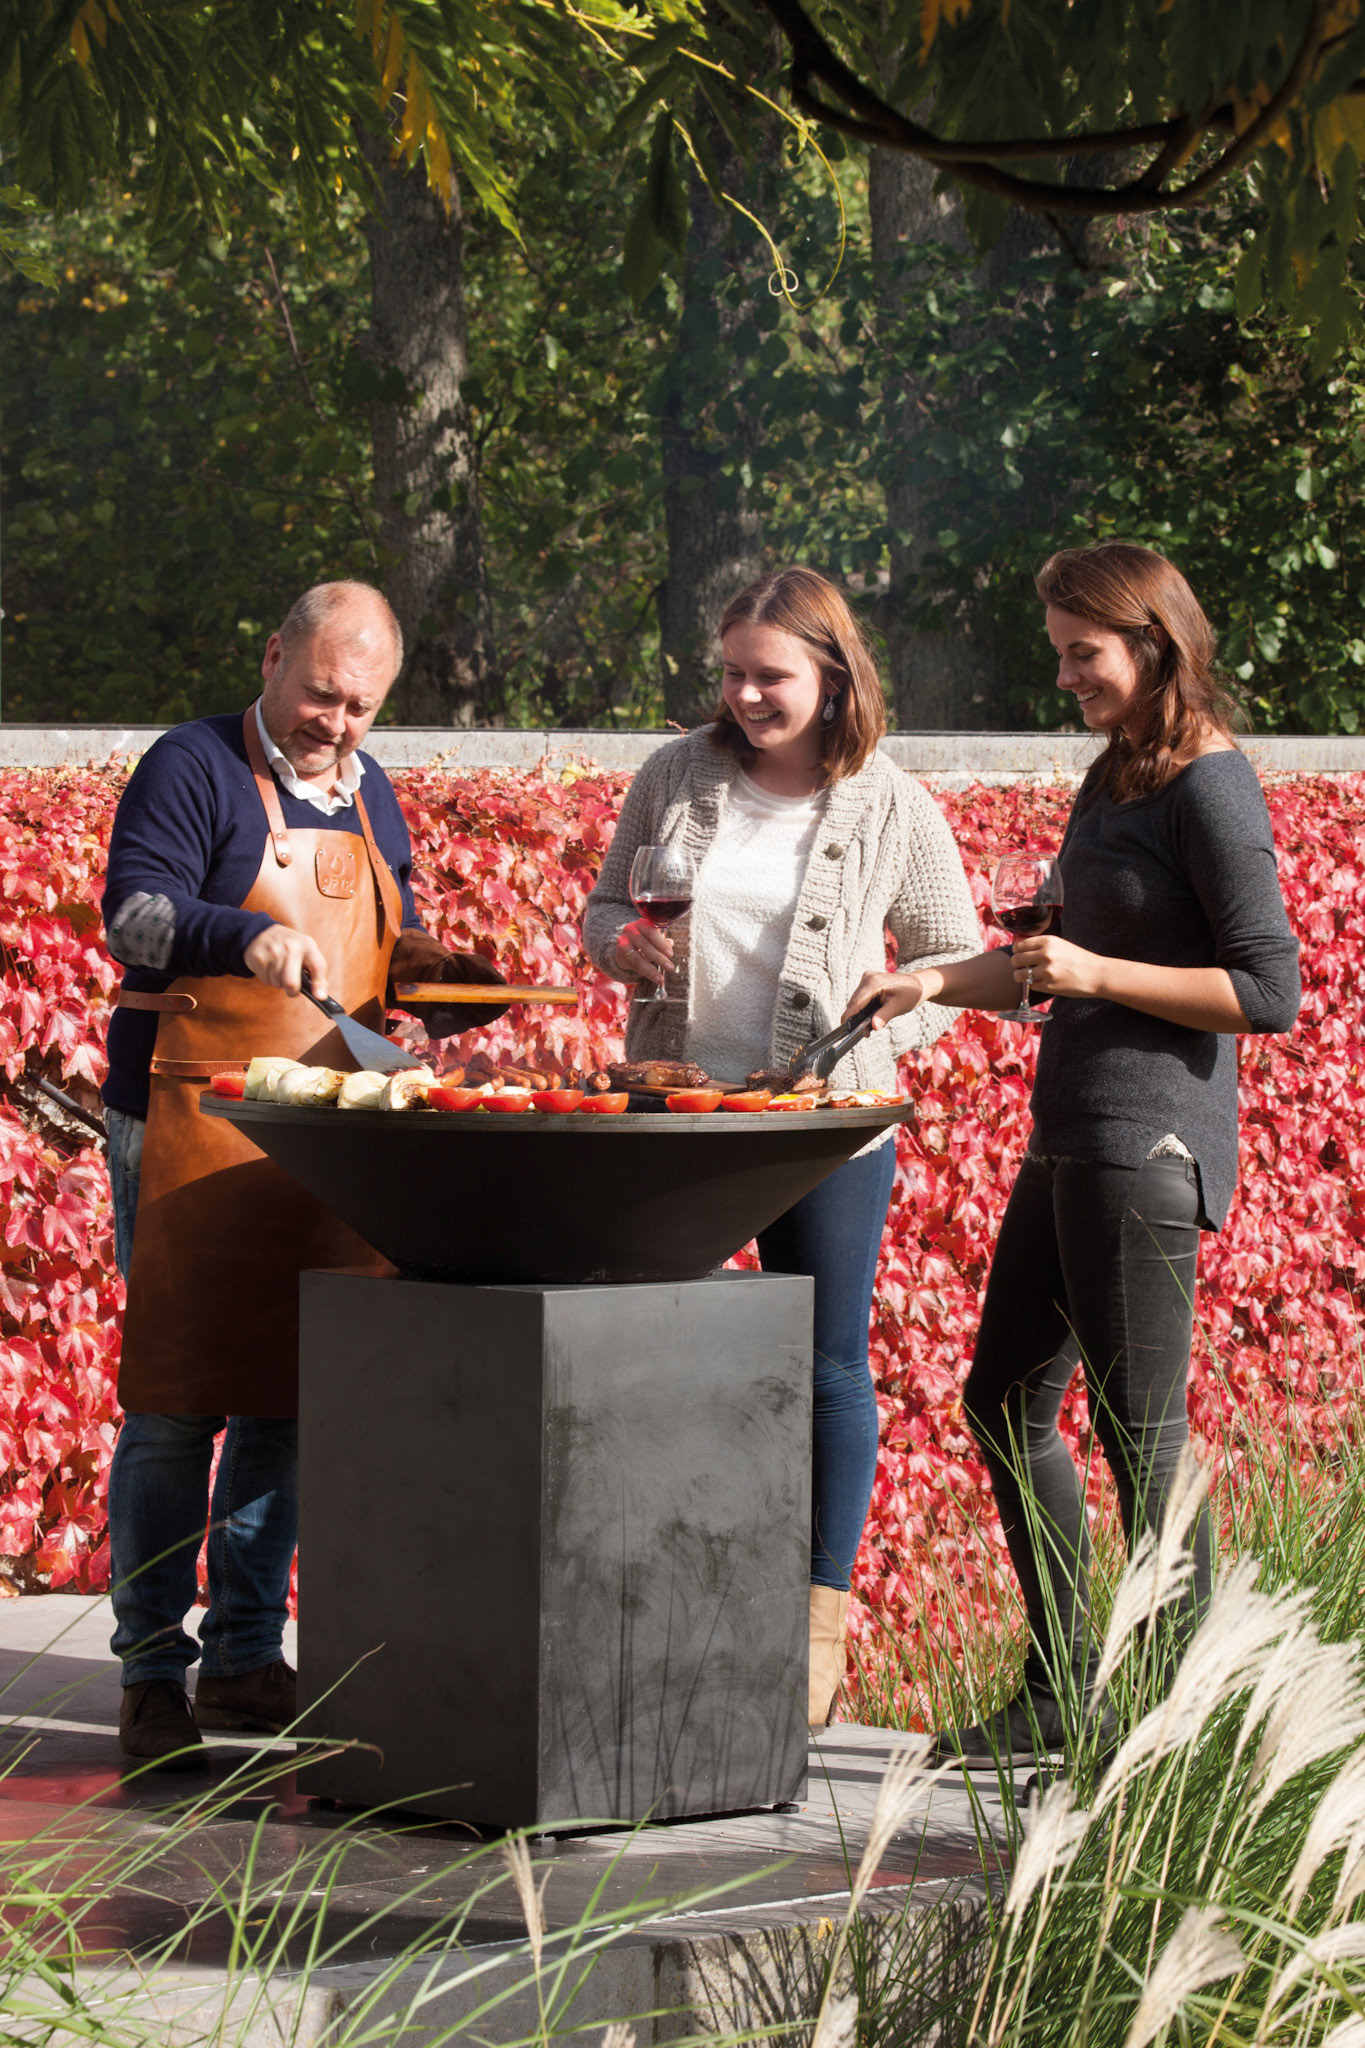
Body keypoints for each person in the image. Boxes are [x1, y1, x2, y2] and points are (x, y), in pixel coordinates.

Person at [846, 542, 1301, 1765]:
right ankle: (1060, 1690)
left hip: (1148, 1138)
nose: (1065, 676)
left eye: (1081, 652)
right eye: (1059, 653)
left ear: (1153, 640)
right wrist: (933, 980)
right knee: (1004, 1403)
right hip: (1071, 1132)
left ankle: (1177, 1731)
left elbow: (1269, 989)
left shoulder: (1210, 784)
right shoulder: (1118, 776)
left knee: (1141, 1434)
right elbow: (1051, 960)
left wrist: (1096, 971)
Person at [101, 580, 507, 1769]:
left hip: (331, 1124)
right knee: (177, 1402)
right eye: (322, 693)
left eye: (361, 705)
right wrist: (243, 932)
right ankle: (150, 1672)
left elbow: (378, 950)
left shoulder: (372, 791)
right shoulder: (191, 765)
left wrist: (439, 979)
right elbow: (132, 918)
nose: (337, 721)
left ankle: (242, 1654)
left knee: (291, 1393)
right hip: (191, 1115)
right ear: (275, 655)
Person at [582, 567, 980, 1728]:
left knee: (826, 1365)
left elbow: (955, 958)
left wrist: (893, 1011)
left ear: (834, 676)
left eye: (771, 676)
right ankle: (665, 1602)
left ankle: (814, 1627)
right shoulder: (674, 774)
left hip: (823, 1124)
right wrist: (621, 947)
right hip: (678, 1115)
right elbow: (605, 908)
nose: (746, 695)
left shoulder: (891, 803)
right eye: (732, 674)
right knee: (664, 1355)